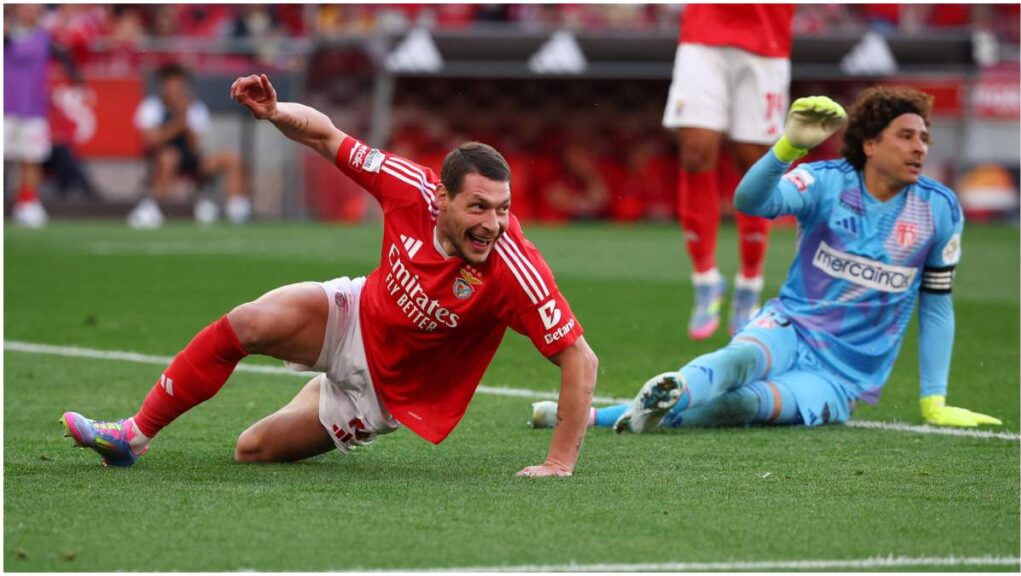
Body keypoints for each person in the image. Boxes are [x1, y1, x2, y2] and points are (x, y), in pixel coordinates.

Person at [62, 73, 598, 478]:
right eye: (479, 208)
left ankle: (325, 395)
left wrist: (559, 463)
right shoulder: (409, 187)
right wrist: (275, 112)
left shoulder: (513, 268)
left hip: (380, 394)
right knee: (249, 322)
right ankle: (134, 435)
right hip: (355, 314)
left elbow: (578, 356)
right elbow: (326, 137)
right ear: (442, 198)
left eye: (502, 209)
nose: (493, 224)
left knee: (251, 450)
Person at [530, 87, 1001, 433]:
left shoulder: (939, 209)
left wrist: (933, 399)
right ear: (871, 144)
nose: (920, 147)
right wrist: (787, 149)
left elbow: (937, 304)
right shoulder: (826, 181)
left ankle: (594, 416)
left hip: (841, 378)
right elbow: (750, 202)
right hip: (790, 326)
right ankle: (625, 408)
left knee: (747, 405)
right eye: (906, 136)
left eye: (924, 137)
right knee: (737, 361)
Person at [664, 4, 795, 339]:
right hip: (704, 32)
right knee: (695, 153)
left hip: (767, 35)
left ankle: (750, 284)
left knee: (755, 164)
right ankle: (705, 280)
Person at [128, 62, 251, 227]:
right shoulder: (151, 107)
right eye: (170, 84)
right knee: (169, 157)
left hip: (191, 158)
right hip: (162, 159)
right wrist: (179, 122)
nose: (175, 89)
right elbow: (152, 140)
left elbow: (195, 145)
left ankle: (237, 212)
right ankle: (154, 208)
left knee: (232, 158)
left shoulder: (195, 108)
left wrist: (185, 116)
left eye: (179, 84)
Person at [4, 4, 82, 227]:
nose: (29, 10)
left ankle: (26, 203)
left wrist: (77, 80)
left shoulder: (46, 38)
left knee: (31, 159)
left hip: (33, 107)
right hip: (4, 106)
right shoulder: (6, 34)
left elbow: (66, 58)